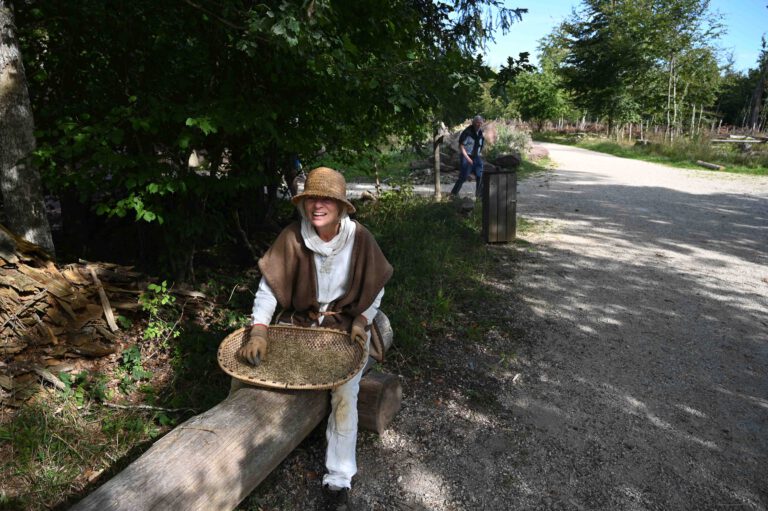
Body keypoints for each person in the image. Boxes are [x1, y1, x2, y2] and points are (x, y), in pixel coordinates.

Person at [237, 166, 393, 511]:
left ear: (340, 207)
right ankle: (240, 454)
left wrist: (363, 321)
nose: (317, 206)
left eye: (326, 200)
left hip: (343, 327)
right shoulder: (293, 237)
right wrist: (260, 329)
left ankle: (338, 478)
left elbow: (377, 289)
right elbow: (267, 292)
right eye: (311, 199)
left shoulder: (360, 239)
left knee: (344, 392)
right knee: (256, 376)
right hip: (299, 324)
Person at [450, 115, 485, 199]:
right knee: (463, 177)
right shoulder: (467, 132)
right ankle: (453, 195)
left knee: (480, 175)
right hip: (466, 156)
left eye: (480, 123)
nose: (479, 124)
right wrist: (468, 159)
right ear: (473, 122)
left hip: (476, 156)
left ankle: (479, 196)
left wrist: (479, 154)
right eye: (477, 122)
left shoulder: (480, 132)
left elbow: (481, 144)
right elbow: (461, 146)